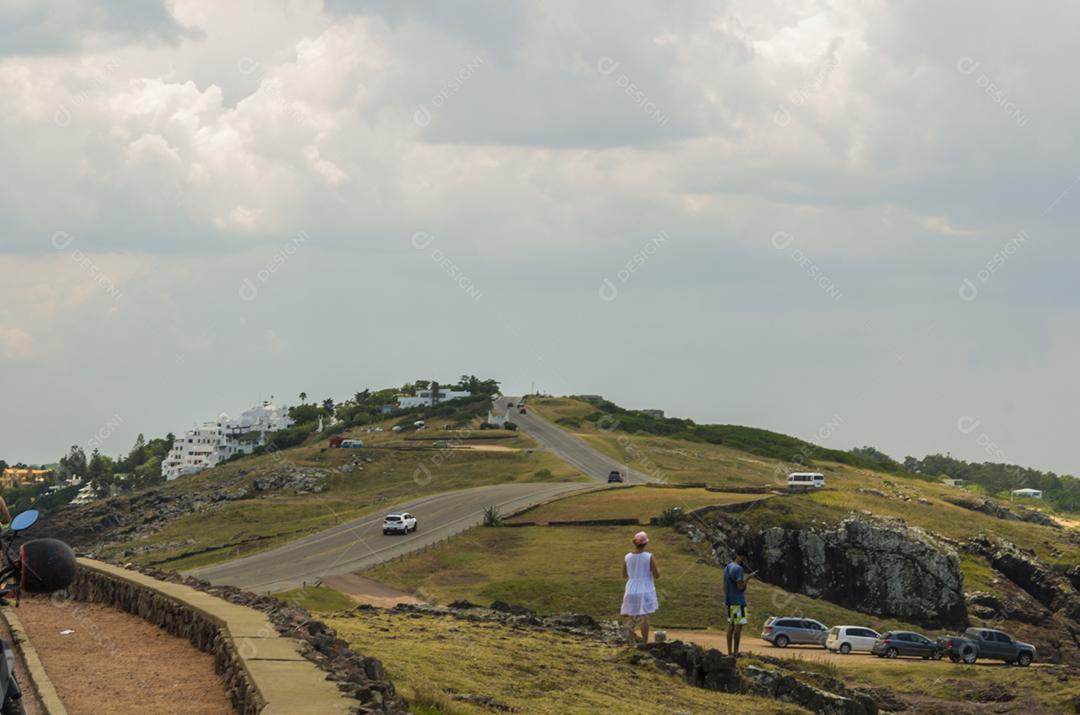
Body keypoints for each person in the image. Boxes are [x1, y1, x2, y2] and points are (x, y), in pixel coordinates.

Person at [620, 530, 659, 643]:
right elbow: (657, 575)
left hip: (631, 588)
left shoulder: (627, 557)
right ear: (646, 543)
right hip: (646, 588)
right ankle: (645, 642)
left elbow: (624, 575)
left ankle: (631, 642)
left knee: (631, 618)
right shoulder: (649, 557)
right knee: (644, 617)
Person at [724, 550, 754, 655]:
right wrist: (748, 579)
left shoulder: (727, 567)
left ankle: (729, 652)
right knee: (738, 627)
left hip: (730, 601)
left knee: (730, 626)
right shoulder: (739, 569)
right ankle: (736, 652)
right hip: (738, 601)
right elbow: (740, 587)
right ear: (742, 557)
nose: (744, 562)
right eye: (745, 560)